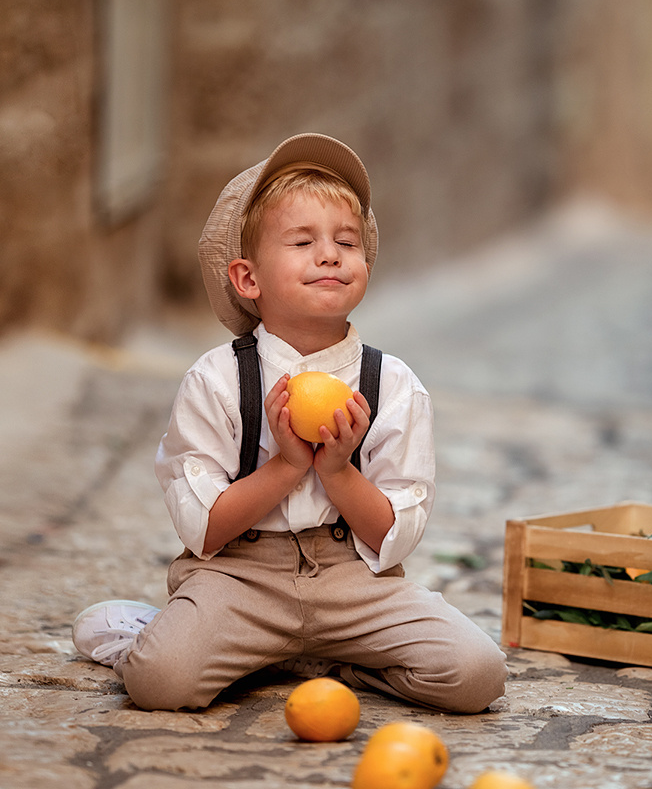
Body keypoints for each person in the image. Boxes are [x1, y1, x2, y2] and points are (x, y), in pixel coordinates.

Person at [72, 133, 507, 713]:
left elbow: (395, 531)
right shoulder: (216, 381)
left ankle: (329, 656)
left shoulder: (393, 385)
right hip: (242, 580)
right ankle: (150, 637)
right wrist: (286, 466)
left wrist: (339, 473)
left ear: (365, 266)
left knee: (477, 675)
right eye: (303, 241)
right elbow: (203, 527)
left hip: (353, 582)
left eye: (346, 242)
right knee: (161, 683)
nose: (329, 254)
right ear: (248, 279)